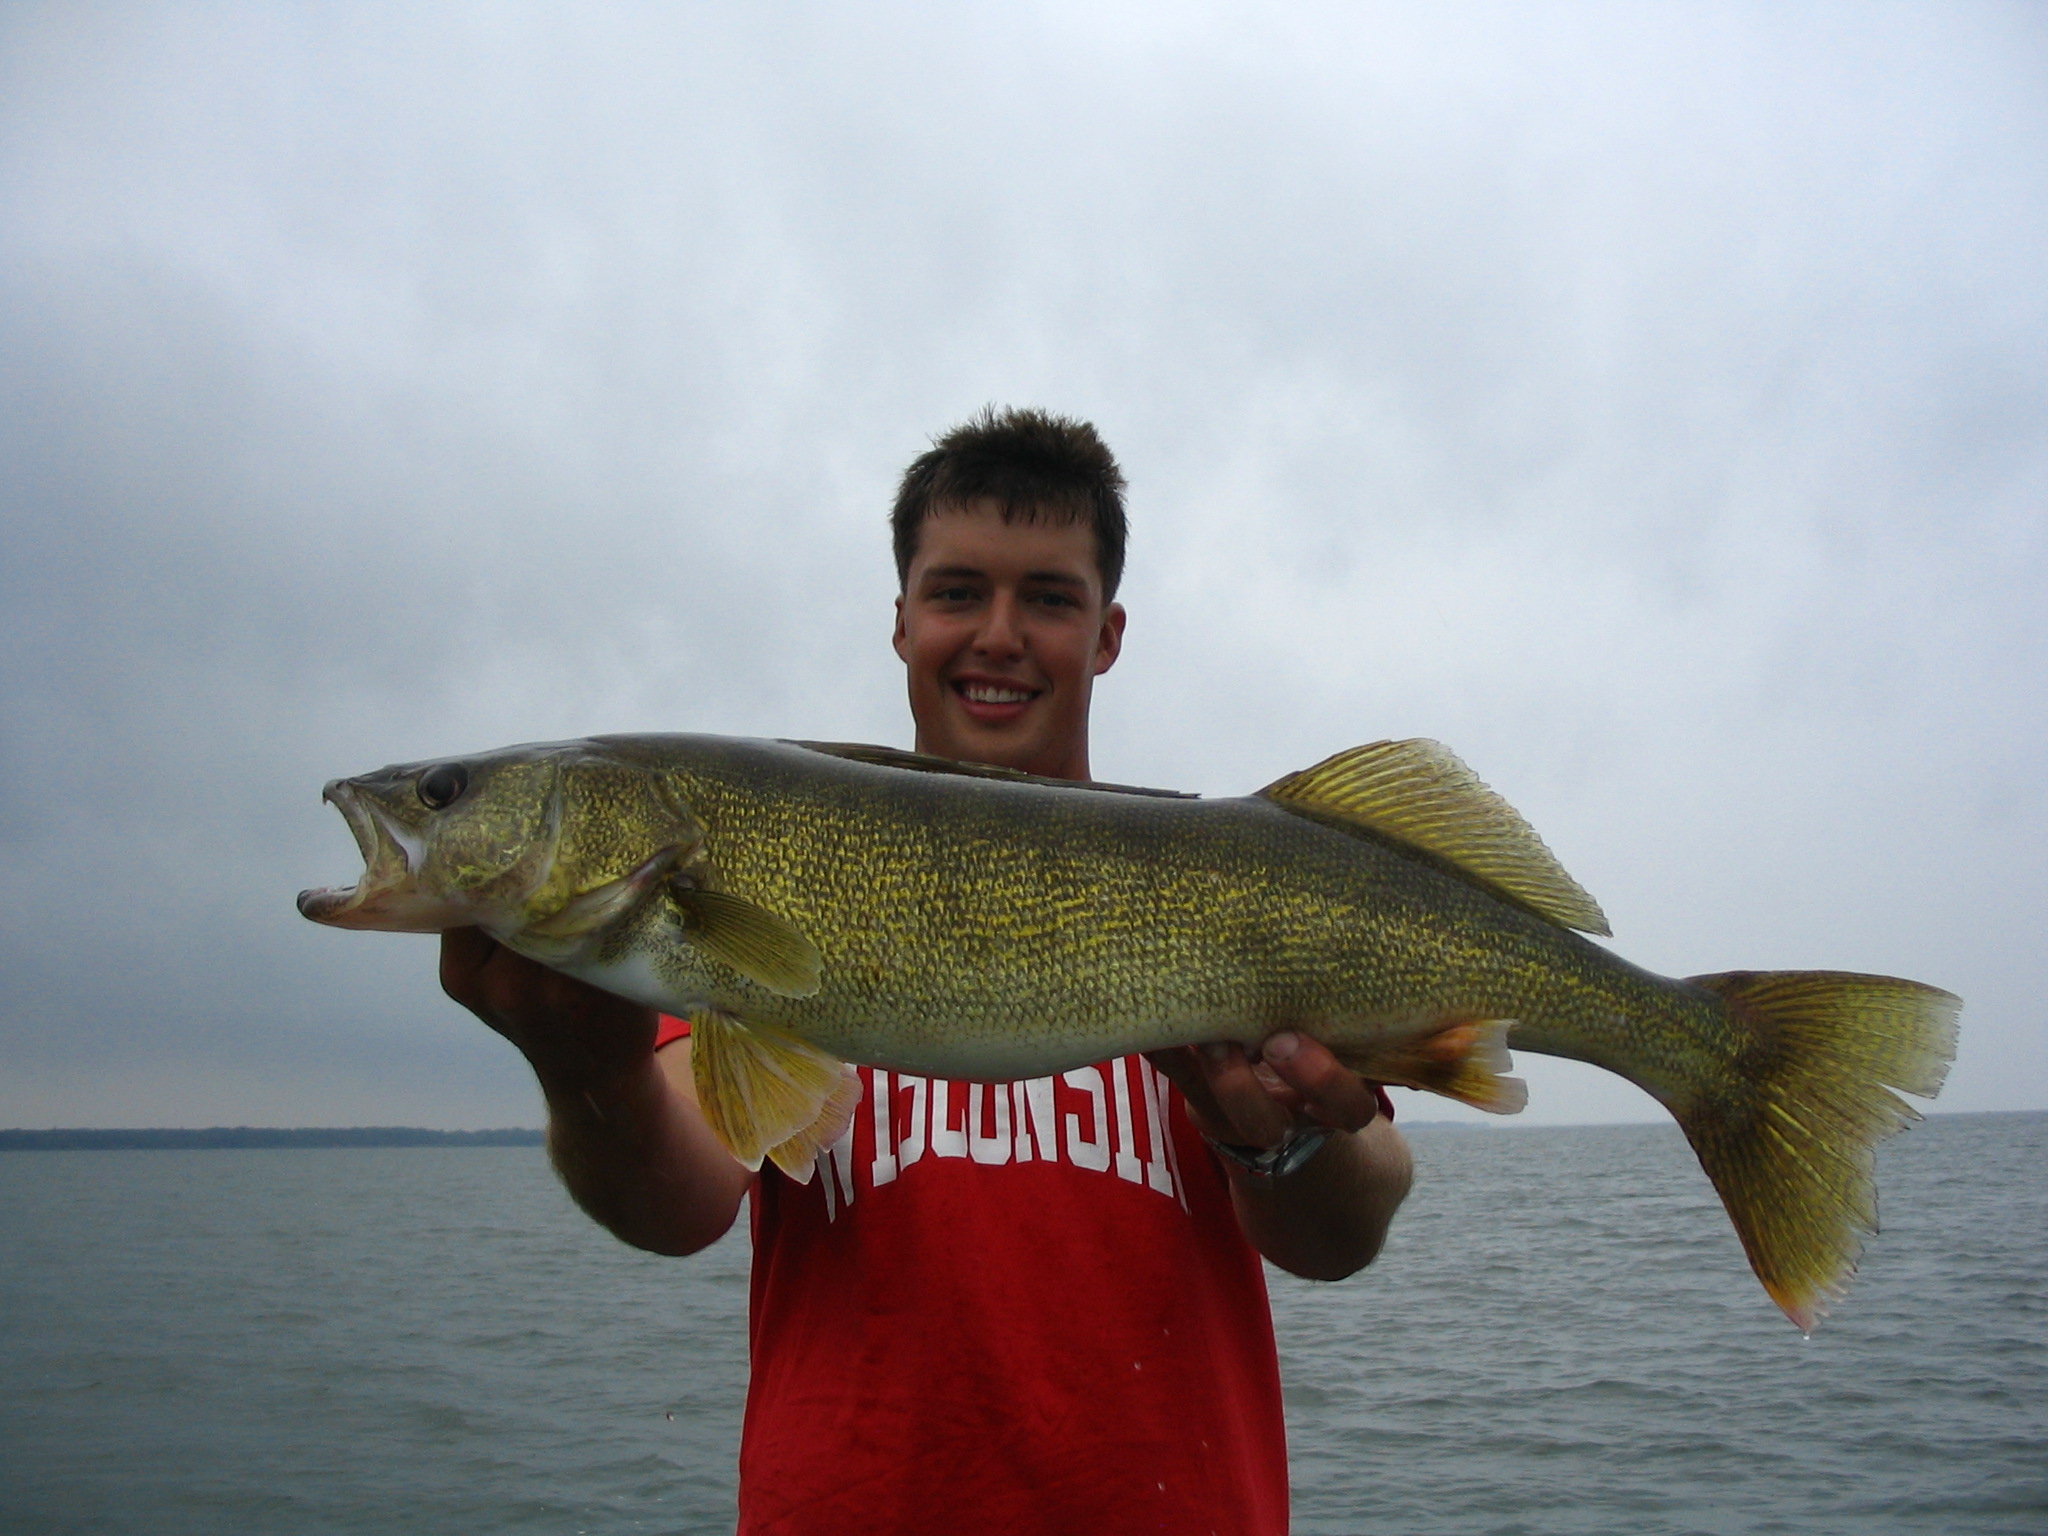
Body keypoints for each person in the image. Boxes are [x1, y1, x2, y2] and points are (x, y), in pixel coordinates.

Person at [440, 407, 1413, 1535]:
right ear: (899, 623)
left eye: (1048, 598)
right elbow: (674, 1204)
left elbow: (1346, 1228)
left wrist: (1276, 1142)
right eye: (956, 593)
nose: (998, 634)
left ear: (1106, 634)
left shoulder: (1220, 891)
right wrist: (584, 1071)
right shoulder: (770, 885)